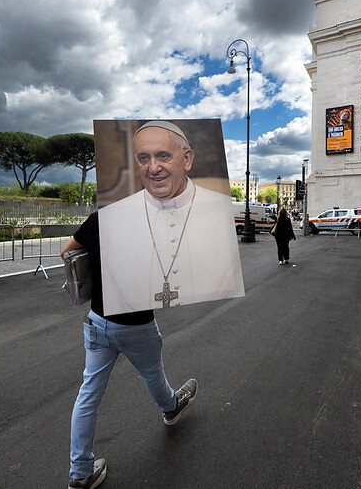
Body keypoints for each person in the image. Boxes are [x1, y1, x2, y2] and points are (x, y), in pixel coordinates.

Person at [61, 212, 198, 489]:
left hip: (98, 320)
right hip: (137, 325)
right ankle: (170, 408)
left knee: (88, 395)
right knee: (153, 375)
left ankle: (80, 473)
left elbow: (66, 252)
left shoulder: (99, 218)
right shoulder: (154, 225)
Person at [97, 120, 244, 315]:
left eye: (163, 156)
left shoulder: (221, 210)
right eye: (143, 158)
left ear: (187, 159)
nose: (153, 168)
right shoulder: (110, 217)